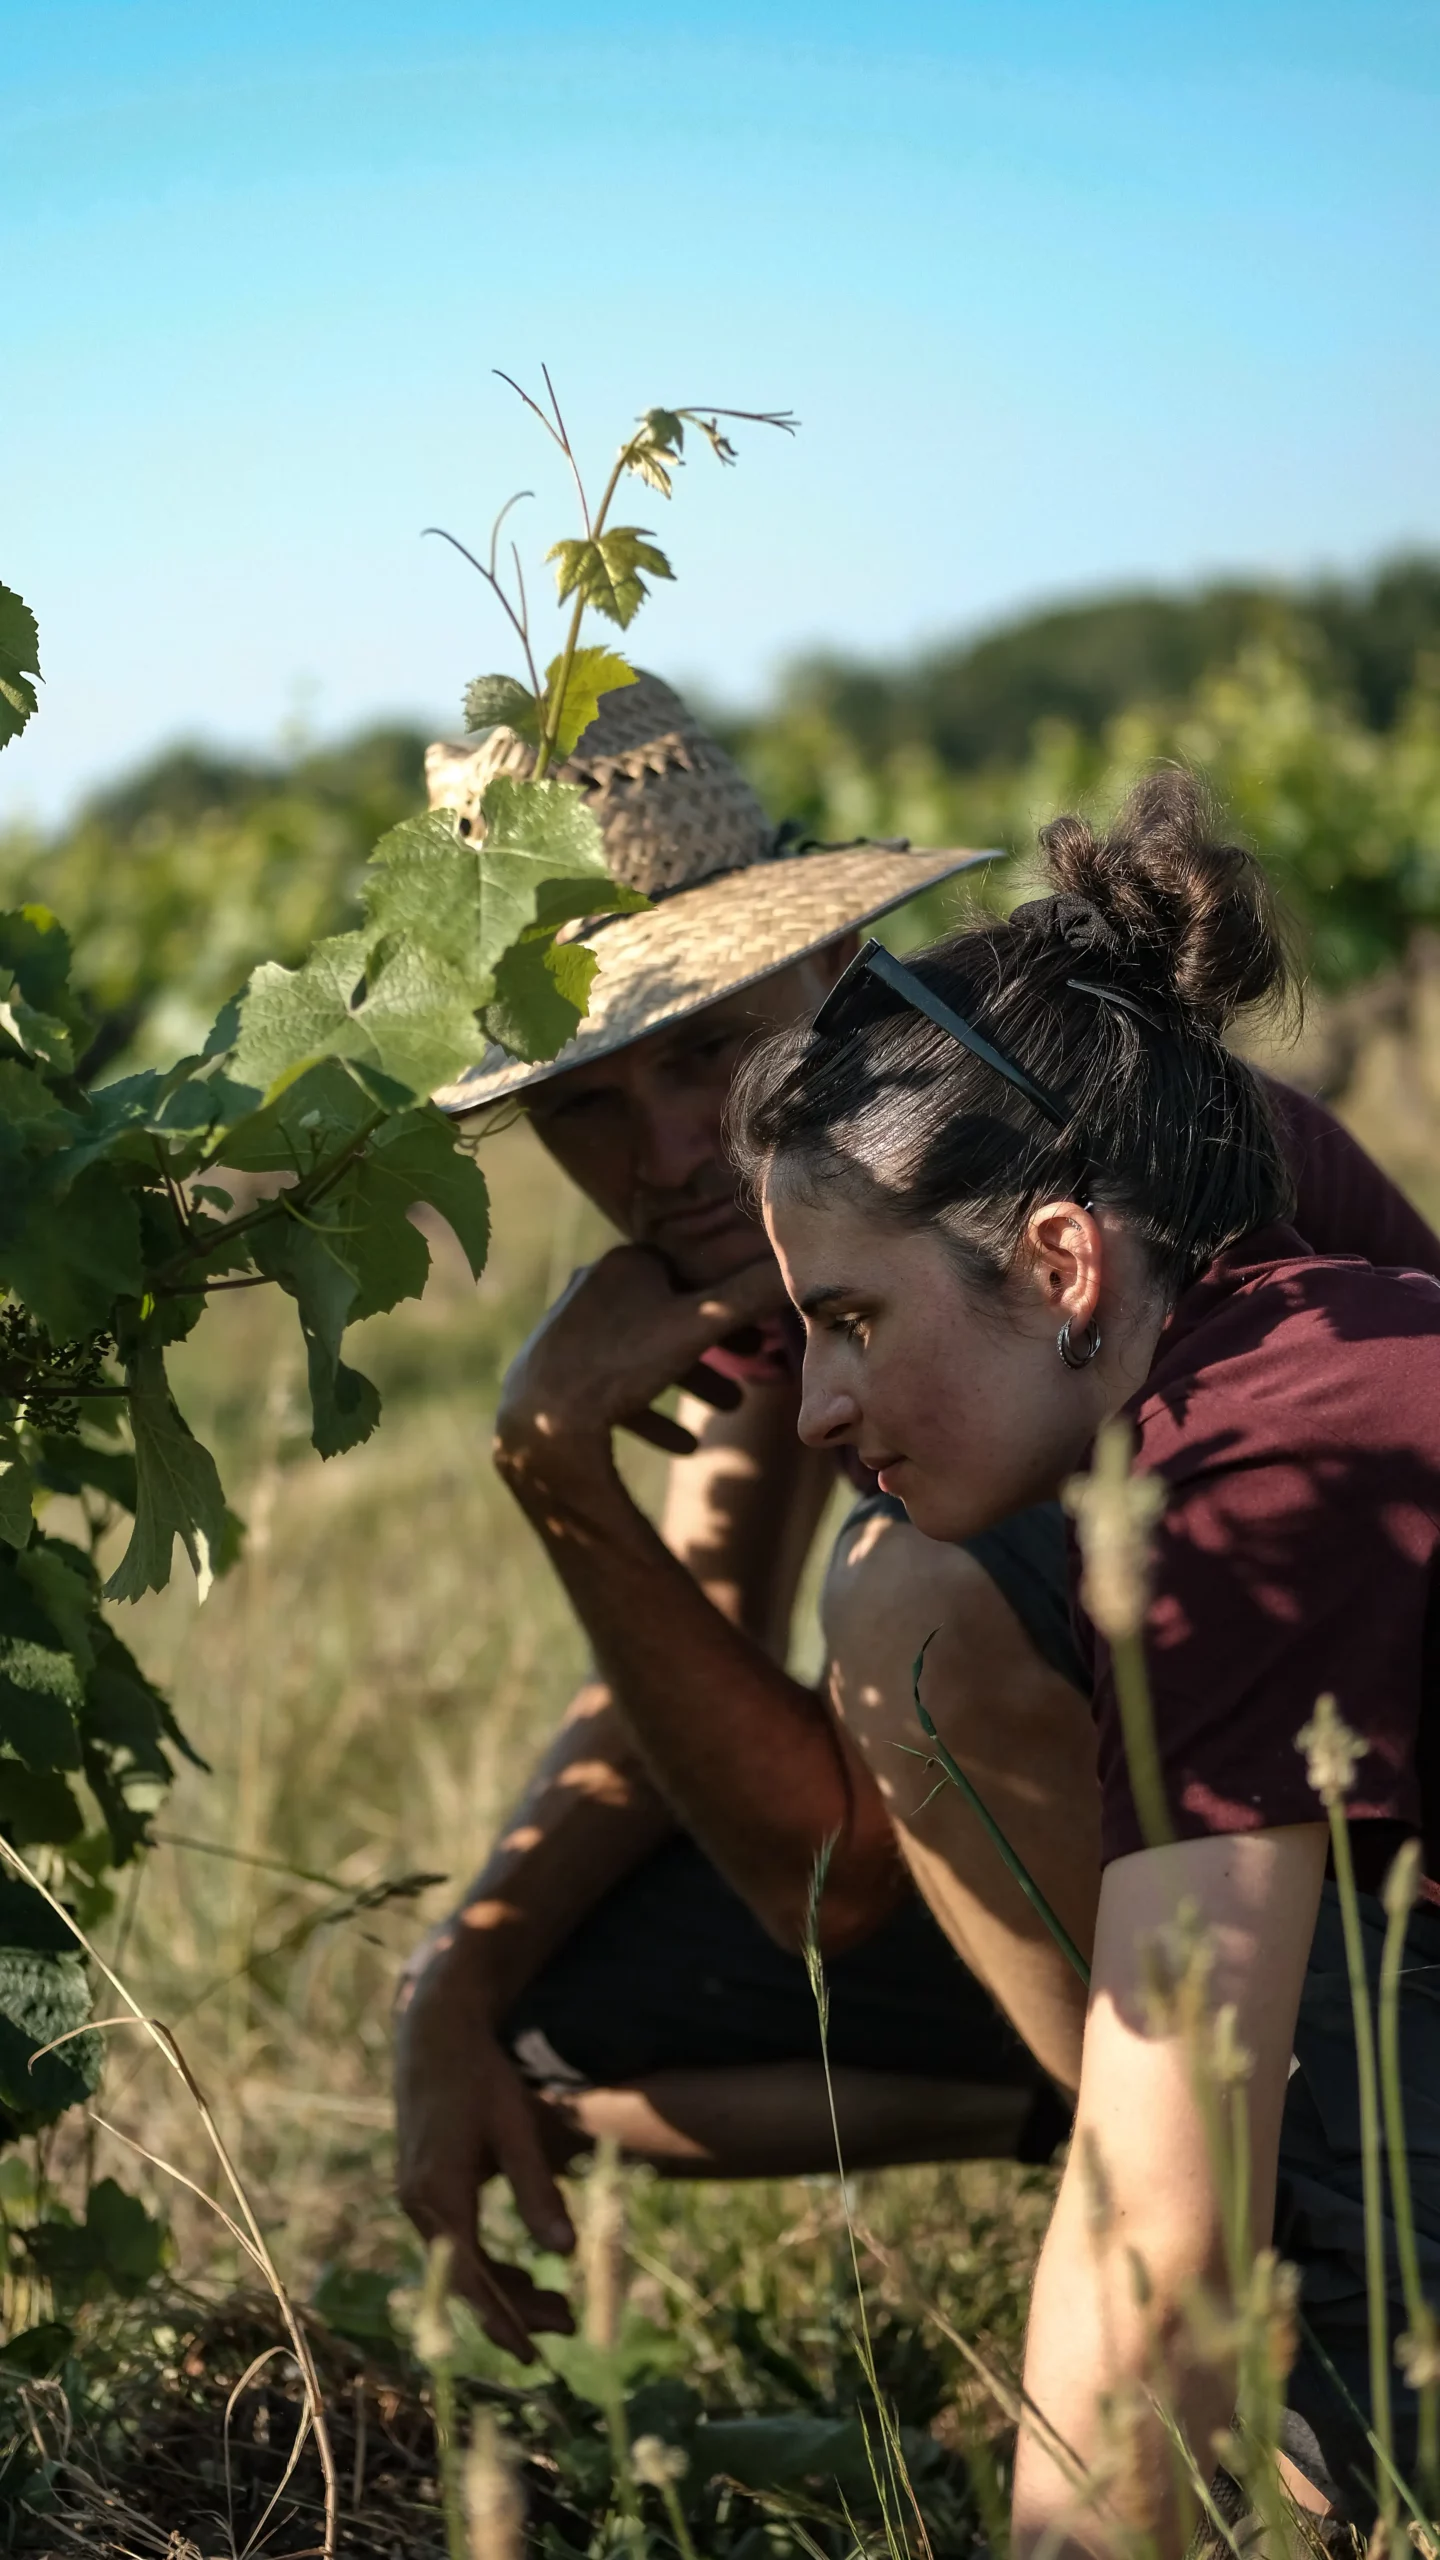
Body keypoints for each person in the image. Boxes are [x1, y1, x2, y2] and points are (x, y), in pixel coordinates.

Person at [727, 769, 1440, 2544]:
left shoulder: (1262, 1476)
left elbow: (1153, 2251)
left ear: (1057, 1260)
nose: (815, 1403)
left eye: (852, 1320)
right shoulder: (1299, 1340)